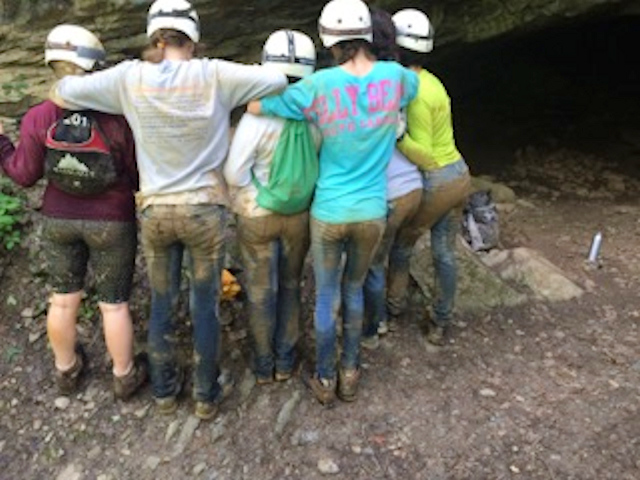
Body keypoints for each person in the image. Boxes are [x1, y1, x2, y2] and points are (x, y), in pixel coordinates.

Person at [50, 0, 287, 420]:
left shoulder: (129, 78)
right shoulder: (215, 74)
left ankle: (162, 391)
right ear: (192, 40)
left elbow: (65, 92)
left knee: (162, 301)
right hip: (204, 212)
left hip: (156, 210)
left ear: (155, 38)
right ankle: (205, 395)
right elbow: (275, 78)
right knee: (204, 303)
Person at [248, 0, 418, 405]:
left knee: (327, 295)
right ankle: (350, 371)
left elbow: (259, 105)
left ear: (331, 42)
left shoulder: (317, 86)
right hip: (373, 210)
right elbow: (410, 89)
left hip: (328, 211)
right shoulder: (397, 78)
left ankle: (324, 377)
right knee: (355, 289)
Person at [0, 25, 147, 399]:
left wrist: (3, 145)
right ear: (96, 67)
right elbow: (136, 175)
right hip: (112, 220)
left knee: (63, 298)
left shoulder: (39, 117)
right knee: (114, 305)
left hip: (58, 218)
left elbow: (23, 173)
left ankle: (67, 371)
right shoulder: (117, 117)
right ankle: (124, 376)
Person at [224, 30, 319, 384]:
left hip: (257, 215)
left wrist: (259, 192)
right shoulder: (314, 115)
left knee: (262, 290)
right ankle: (285, 359)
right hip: (299, 215)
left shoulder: (257, 117)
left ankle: (263, 365)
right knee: (291, 284)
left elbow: (234, 173)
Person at [391, 9, 472, 345]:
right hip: (460, 175)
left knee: (402, 243)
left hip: (438, 180)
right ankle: (440, 320)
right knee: (444, 253)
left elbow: (424, 154)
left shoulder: (416, 94)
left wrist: (397, 135)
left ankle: (392, 309)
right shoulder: (433, 81)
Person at [361, 7, 424, 350]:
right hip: (413, 185)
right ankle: (392, 306)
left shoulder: (359, 81)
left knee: (371, 264)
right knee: (390, 254)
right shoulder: (400, 78)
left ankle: (376, 323)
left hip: (389, 190)